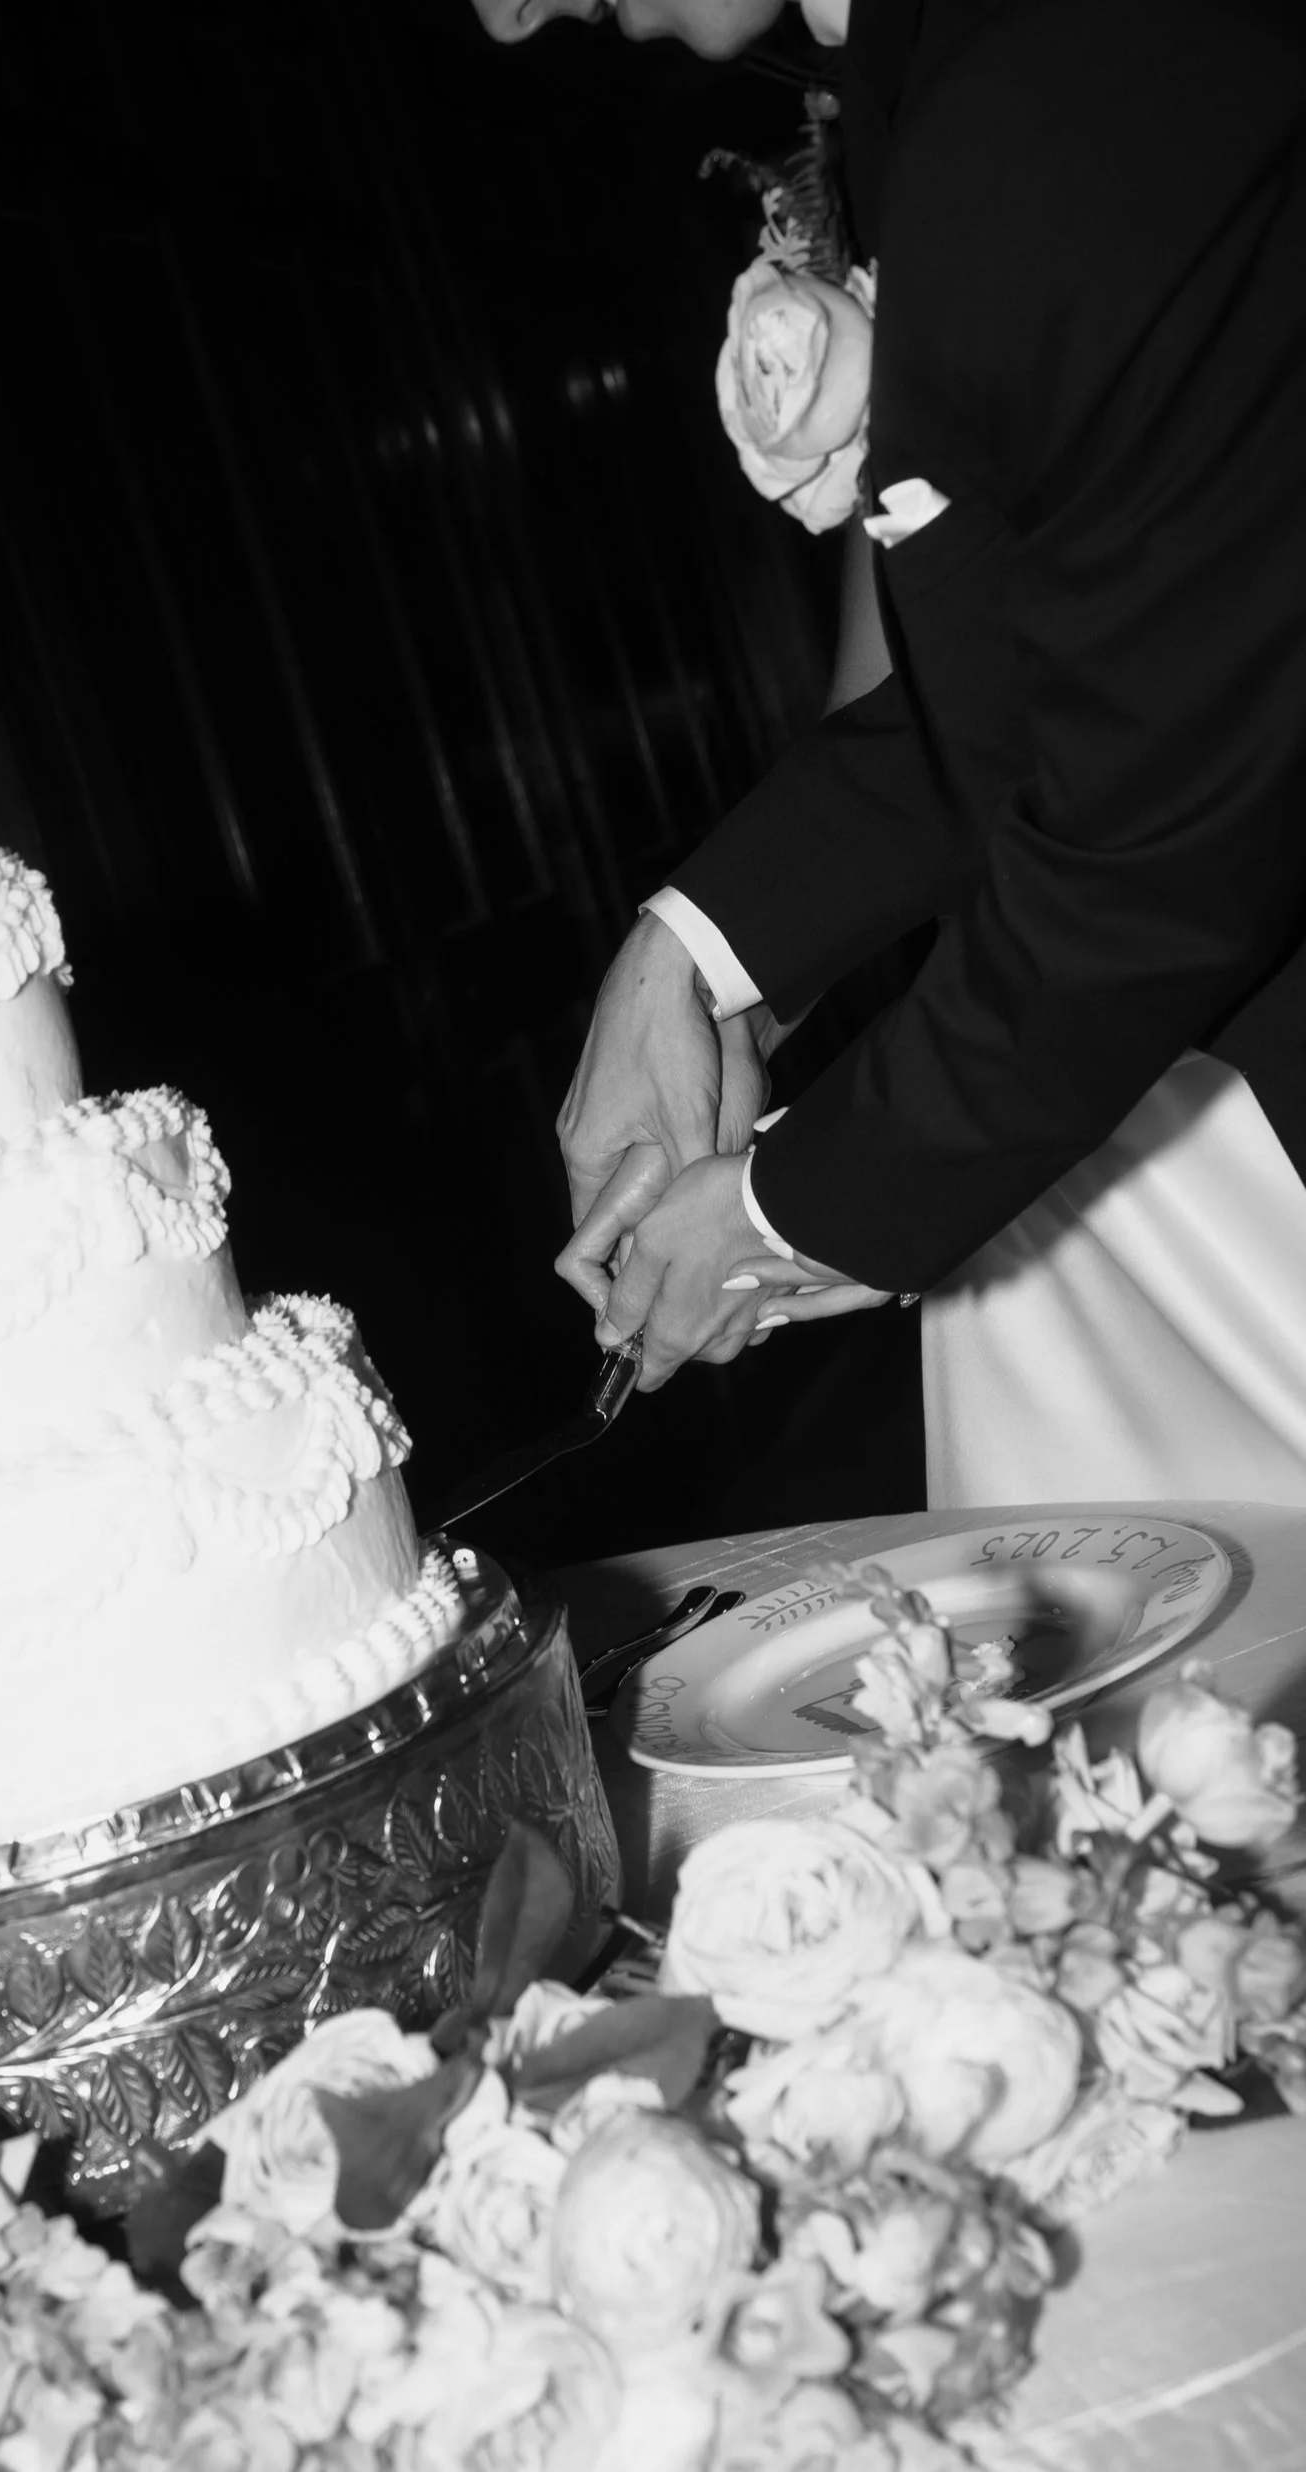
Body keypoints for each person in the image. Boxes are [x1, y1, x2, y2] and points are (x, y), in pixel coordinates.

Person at [472, 0, 1306, 1504]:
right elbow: (1039, 682)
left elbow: (1161, 816)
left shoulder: (1066, 69)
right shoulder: (925, 80)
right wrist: (690, 952)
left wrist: (796, 1207)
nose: (504, 16)